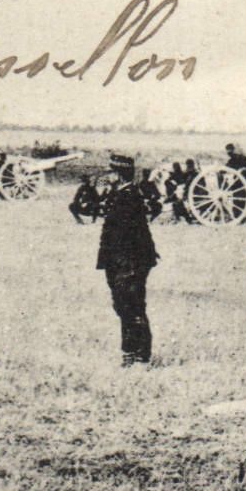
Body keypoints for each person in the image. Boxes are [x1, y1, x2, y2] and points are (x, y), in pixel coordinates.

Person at [97, 154, 158, 366]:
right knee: (124, 307)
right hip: (119, 261)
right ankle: (132, 353)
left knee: (132, 307)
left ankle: (139, 354)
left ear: (120, 174)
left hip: (130, 262)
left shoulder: (130, 197)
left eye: (111, 172)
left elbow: (135, 236)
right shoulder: (121, 194)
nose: (108, 176)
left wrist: (131, 268)